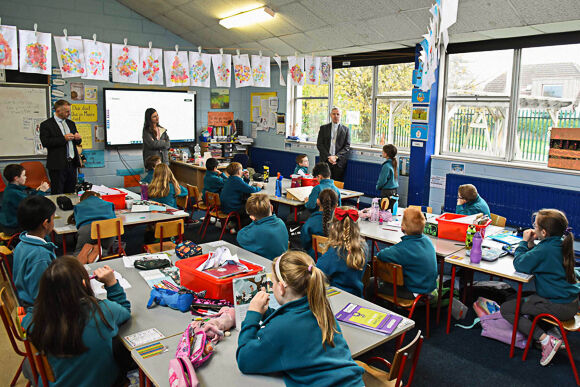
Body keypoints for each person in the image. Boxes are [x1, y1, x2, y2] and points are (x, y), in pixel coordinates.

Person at [236, 251, 364, 386]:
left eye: (272, 282)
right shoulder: (322, 309)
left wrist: (252, 314)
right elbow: (294, 321)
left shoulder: (281, 328)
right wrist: (267, 312)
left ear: (281, 288)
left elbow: (245, 360)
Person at [22, 257, 131, 386]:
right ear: (84, 284)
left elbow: (33, 311)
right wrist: (112, 283)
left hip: (55, 382)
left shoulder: (32, 319)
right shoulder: (103, 311)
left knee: (28, 364)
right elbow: (124, 311)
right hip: (103, 382)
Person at [500, 209, 579, 366]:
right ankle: (552, 331)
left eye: (535, 226)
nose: (533, 228)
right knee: (521, 296)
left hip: (558, 306)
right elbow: (539, 258)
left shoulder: (545, 249)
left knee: (507, 309)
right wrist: (531, 245)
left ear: (543, 231)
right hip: (570, 301)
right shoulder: (561, 241)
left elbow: (520, 264)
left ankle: (546, 340)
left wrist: (523, 243)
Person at [366, 207, 437, 300]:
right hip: (429, 289)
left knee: (369, 284)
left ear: (403, 227)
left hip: (414, 293)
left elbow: (380, 255)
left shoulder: (403, 248)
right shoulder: (427, 240)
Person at [12, 196, 57, 308]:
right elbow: (42, 297)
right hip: (40, 313)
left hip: (26, 300)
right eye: (53, 218)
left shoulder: (22, 243)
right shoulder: (40, 256)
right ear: (46, 223)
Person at [316, 207, 367, 297]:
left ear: (333, 227)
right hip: (358, 297)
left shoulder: (333, 254)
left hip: (336, 298)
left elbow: (317, 273)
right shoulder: (363, 247)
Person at [39, 99, 82, 194]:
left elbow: (78, 142)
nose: (69, 113)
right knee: (58, 192)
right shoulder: (46, 125)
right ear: (58, 111)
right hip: (57, 164)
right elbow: (46, 142)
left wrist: (78, 138)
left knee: (71, 191)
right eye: (67, 111)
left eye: (69, 111)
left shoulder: (71, 123)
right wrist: (64, 138)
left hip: (72, 163)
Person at [0, 164, 49, 235]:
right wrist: (42, 191)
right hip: (12, 228)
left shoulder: (10, 189)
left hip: (9, 225)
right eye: (23, 175)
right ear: (16, 178)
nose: (26, 177)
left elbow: (27, 197)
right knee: (41, 226)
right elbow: (32, 203)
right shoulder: (13, 193)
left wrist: (37, 191)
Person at [236, 194, 288, 260]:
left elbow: (240, 236)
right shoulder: (281, 222)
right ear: (271, 208)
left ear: (252, 217)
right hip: (281, 262)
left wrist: (254, 221)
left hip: (267, 265)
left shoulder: (256, 231)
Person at [69, 191, 117, 255]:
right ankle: (101, 253)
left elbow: (78, 224)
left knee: (80, 252)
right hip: (109, 232)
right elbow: (114, 220)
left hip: (87, 232)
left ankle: (86, 257)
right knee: (104, 247)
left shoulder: (79, 206)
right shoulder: (109, 204)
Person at [220, 162, 263, 230]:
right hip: (232, 208)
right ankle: (236, 228)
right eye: (241, 169)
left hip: (225, 207)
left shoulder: (230, 178)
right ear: (238, 172)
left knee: (246, 204)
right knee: (253, 209)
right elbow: (250, 189)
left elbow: (243, 187)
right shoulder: (237, 180)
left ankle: (233, 222)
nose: (243, 170)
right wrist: (259, 187)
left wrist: (246, 178)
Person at [301, 189, 338, 259]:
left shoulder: (310, 222)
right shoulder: (341, 223)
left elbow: (304, 243)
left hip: (314, 260)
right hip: (335, 259)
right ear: (336, 205)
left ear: (318, 201)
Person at [316, 107, 351, 181]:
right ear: (330, 115)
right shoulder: (323, 128)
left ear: (340, 115)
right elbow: (319, 144)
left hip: (338, 162)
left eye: (338, 114)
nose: (336, 116)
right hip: (325, 160)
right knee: (324, 183)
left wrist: (336, 157)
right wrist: (329, 157)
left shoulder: (346, 130)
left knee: (337, 185)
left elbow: (347, 146)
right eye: (334, 114)